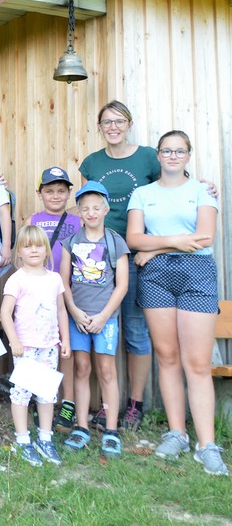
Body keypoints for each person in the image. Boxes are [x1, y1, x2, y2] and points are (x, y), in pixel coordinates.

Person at [127, 130, 227, 476]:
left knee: (197, 363)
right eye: (167, 150)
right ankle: (177, 434)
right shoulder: (143, 194)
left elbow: (204, 238)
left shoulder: (201, 191)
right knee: (167, 357)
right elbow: (134, 238)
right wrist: (169, 243)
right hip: (156, 277)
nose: (172, 156)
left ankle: (207, 445)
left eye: (179, 151)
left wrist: (155, 247)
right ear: (158, 155)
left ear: (188, 155)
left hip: (196, 273)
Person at [77, 99, 157, 431]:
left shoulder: (148, 157)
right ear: (99, 127)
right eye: (107, 122)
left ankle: (135, 405)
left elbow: (168, 194)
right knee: (96, 330)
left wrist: (152, 247)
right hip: (97, 259)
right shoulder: (92, 162)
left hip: (136, 256)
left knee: (135, 331)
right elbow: (86, 205)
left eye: (119, 121)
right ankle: (104, 406)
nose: (113, 127)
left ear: (129, 124)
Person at [60, 181, 128, 458]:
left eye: (96, 208)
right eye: (85, 208)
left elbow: (122, 285)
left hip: (105, 319)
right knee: (81, 368)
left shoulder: (115, 241)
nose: (91, 213)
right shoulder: (71, 242)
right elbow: (64, 282)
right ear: (78, 211)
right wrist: (75, 312)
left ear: (106, 209)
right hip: (78, 318)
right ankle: (81, 427)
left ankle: (111, 430)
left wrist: (103, 316)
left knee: (107, 370)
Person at [0, 226, 70, 467]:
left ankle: (45, 439)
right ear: (19, 251)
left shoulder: (54, 279)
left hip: (49, 345)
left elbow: (61, 310)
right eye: (27, 246)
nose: (33, 250)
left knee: (47, 393)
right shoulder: (16, 279)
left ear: (46, 250)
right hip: (26, 347)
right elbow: (5, 313)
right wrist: (14, 341)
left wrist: (65, 339)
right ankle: (22, 440)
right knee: (21, 393)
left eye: (39, 245)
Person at [29, 167, 81, 431]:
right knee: (40, 347)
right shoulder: (33, 219)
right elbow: (23, 253)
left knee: (66, 349)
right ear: (39, 194)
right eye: (49, 191)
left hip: (70, 292)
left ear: (69, 193)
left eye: (61, 191)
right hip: (40, 295)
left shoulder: (78, 221)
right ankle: (42, 399)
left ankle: (68, 402)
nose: (56, 196)